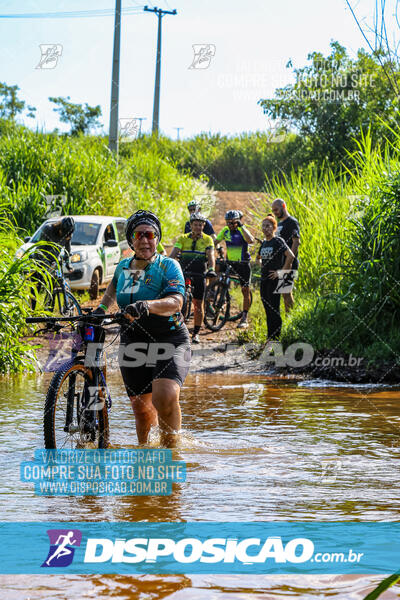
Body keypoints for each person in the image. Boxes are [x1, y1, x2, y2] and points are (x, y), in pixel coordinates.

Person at [95, 210, 190, 447]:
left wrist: (146, 305)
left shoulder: (169, 265)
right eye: (139, 235)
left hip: (169, 338)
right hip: (133, 341)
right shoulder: (124, 267)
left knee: (164, 397)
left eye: (150, 235)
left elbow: (176, 302)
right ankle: (145, 456)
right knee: (141, 408)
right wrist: (101, 308)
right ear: (131, 239)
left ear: (157, 238)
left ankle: (172, 454)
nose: (145, 240)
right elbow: (112, 289)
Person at [170, 213, 216, 344]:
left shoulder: (208, 239)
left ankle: (196, 333)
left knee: (197, 304)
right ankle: (178, 330)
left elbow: (211, 255)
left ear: (204, 226)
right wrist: (166, 265)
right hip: (183, 272)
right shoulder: (183, 238)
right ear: (190, 225)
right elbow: (173, 254)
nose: (198, 227)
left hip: (200, 273)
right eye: (195, 225)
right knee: (178, 301)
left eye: (200, 225)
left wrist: (211, 269)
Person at [256, 215, 295, 340]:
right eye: (263, 226)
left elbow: (291, 256)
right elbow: (258, 258)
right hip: (264, 280)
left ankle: (276, 338)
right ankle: (270, 338)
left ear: (274, 227)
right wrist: (261, 265)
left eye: (268, 226)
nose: (265, 228)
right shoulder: (264, 243)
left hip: (274, 280)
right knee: (267, 309)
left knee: (274, 309)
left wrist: (281, 272)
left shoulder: (277, 241)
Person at [215, 209, 254, 328]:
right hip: (230, 262)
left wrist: (241, 227)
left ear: (238, 221)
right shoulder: (225, 230)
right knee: (216, 265)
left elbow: (250, 240)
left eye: (233, 222)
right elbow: (214, 241)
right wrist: (217, 248)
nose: (230, 225)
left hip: (243, 263)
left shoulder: (242, 230)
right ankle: (216, 290)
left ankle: (244, 317)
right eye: (228, 222)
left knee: (245, 290)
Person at [271, 198, 300, 313]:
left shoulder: (292, 222)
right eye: (273, 211)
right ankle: (289, 317)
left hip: (289, 263)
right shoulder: (280, 223)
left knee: (286, 293)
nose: (275, 213)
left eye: (276, 210)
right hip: (280, 263)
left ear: (283, 206)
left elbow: (296, 241)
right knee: (284, 293)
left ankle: (291, 319)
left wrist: (289, 261)